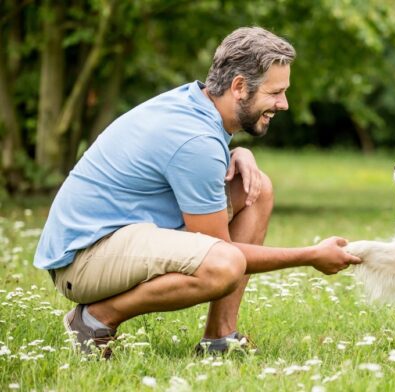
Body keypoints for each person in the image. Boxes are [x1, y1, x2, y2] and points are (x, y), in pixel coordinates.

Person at [33, 26, 361, 359]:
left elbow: (182, 163)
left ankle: (219, 337)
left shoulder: (196, 103)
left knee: (256, 188)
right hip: (83, 259)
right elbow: (220, 249)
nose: (284, 104)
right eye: (275, 92)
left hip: (112, 236)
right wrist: (310, 255)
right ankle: (93, 321)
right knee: (223, 264)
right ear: (238, 87)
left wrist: (237, 154)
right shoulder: (195, 140)